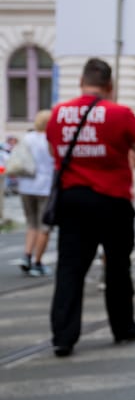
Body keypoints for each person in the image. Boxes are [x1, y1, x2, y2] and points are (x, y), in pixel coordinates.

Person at [45, 58, 135, 357]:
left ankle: (63, 337)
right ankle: (123, 327)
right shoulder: (120, 113)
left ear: (81, 82)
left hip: (73, 199)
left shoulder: (58, 114)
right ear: (110, 86)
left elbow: (55, 149)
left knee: (70, 268)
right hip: (112, 200)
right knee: (117, 266)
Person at [17, 109, 56, 276]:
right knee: (44, 226)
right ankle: (37, 261)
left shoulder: (27, 138)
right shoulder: (51, 139)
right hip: (45, 187)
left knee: (31, 223)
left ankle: (27, 255)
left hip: (26, 186)